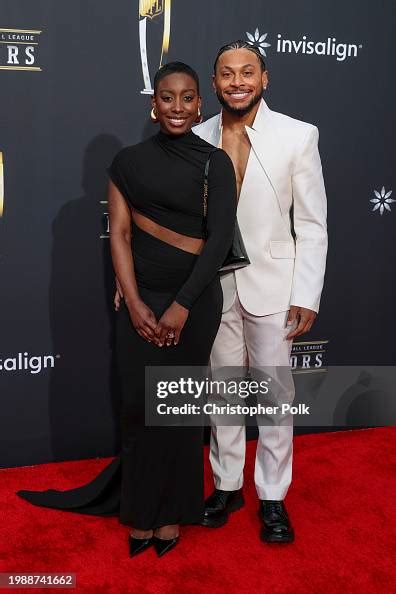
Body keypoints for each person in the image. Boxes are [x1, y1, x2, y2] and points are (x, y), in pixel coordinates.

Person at [17, 62, 237, 558]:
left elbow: (219, 238)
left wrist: (181, 306)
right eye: (167, 98)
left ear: (199, 104)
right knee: (139, 410)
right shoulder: (127, 162)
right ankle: (141, 513)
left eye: (186, 98)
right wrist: (135, 301)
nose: (177, 107)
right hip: (141, 301)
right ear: (152, 104)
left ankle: (174, 513)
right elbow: (118, 233)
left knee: (178, 412)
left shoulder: (215, 163)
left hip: (195, 304)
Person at [192, 41, 328, 543]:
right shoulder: (198, 135)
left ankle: (273, 496)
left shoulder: (297, 135)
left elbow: (312, 222)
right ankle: (227, 484)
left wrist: (307, 292)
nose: (237, 81)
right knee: (221, 391)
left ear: (264, 78)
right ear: (214, 83)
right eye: (226, 73)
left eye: (247, 71)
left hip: (276, 284)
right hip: (214, 287)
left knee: (274, 398)